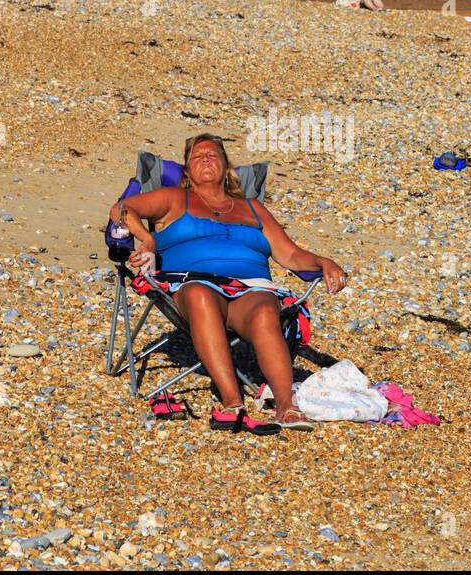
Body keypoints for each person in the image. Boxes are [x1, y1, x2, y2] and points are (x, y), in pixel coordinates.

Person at [108, 134, 347, 435]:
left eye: (213, 155)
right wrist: (147, 237)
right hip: (192, 283)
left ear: (226, 168)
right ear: (187, 171)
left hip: (251, 288)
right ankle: (233, 402)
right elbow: (120, 210)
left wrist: (323, 262)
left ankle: (286, 407)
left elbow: (290, 254)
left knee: (264, 310)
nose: (205, 159)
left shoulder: (252, 208)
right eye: (197, 156)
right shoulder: (173, 197)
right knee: (200, 295)